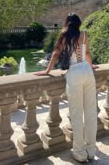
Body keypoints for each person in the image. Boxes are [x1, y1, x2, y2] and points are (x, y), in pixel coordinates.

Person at [35, 13, 99, 162]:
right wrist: (91, 65)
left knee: (76, 114)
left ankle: (80, 153)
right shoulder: (83, 35)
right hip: (87, 72)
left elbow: (56, 53)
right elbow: (87, 53)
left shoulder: (64, 35)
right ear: (79, 23)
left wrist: (47, 71)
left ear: (67, 23)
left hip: (74, 72)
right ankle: (91, 150)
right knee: (90, 112)